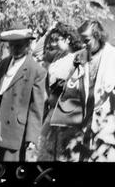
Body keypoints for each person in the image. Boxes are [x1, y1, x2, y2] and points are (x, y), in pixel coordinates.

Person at [57, 20, 115, 161]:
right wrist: (73, 81)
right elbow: (73, 86)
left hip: (110, 124)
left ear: (97, 36)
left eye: (86, 40)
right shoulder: (81, 56)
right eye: (81, 40)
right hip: (86, 124)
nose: (83, 44)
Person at [0, 23, 46, 161]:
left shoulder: (36, 71)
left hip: (15, 130)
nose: (14, 49)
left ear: (28, 45)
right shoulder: (3, 64)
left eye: (19, 45)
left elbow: (36, 108)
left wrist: (32, 137)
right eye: (11, 45)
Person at [37, 23, 83, 161]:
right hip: (51, 109)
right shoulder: (58, 55)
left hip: (67, 111)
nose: (53, 43)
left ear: (68, 39)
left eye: (57, 40)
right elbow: (37, 52)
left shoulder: (80, 55)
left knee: (63, 152)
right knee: (43, 149)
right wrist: (48, 31)